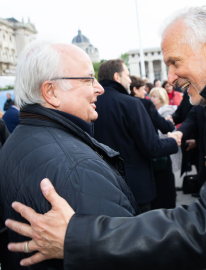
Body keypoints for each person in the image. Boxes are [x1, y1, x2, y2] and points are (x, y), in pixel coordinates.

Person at [6, 5, 206, 270]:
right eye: (87, 79)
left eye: (175, 62)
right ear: (50, 91)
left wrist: (77, 237)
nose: (169, 79)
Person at [0, 40, 140, 270]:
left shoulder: (15, 141)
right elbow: (129, 257)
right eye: (87, 79)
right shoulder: (78, 167)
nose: (100, 88)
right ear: (51, 92)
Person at [94, 60, 181, 213]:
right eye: (127, 75)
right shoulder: (131, 104)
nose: (129, 80)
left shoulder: (91, 104)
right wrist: (173, 141)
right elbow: (151, 147)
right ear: (117, 76)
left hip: (103, 188)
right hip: (136, 189)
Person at [149, 87, 181, 209]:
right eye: (151, 96)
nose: (151, 99)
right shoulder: (154, 111)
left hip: (167, 148)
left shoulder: (166, 111)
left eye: (154, 97)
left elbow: (167, 131)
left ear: (161, 98)